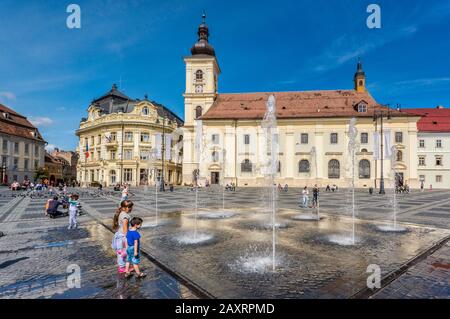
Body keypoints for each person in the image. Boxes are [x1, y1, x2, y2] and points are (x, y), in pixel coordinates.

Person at [112, 200, 134, 273]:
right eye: (129, 207)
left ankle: (123, 266)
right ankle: (122, 267)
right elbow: (125, 229)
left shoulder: (122, 213)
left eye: (131, 206)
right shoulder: (125, 217)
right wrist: (127, 239)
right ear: (124, 207)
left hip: (120, 235)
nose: (131, 208)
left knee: (121, 252)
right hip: (123, 237)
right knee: (122, 253)